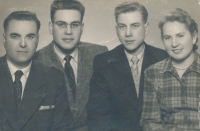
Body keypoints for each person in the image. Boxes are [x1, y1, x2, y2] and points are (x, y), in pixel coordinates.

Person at [87, 1, 168, 131]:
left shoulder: (163, 58)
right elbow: (99, 117)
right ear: (116, 29)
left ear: (146, 28)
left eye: (135, 26)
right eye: (122, 26)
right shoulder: (103, 62)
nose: (128, 33)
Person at [34, 0, 108, 130]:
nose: (68, 31)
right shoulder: (37, 60)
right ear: (51, 27)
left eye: (74, 25)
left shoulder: (99, 54)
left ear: (82, 27)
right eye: (61, 24)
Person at [0, 11, 73, 131]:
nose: (23, 44)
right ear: (4, 39)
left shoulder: (54, 77)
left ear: (37, 40)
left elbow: (64, 128)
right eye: (15, 36)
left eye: (30, 36)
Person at [141, 8, 199, 130]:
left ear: (194, 37)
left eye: (180, 36)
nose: (174, 43)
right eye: (167, 37)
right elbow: (150, 122)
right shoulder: (153, 73)